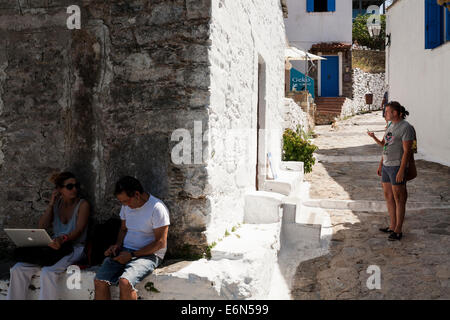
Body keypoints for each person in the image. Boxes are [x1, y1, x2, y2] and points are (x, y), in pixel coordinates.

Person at [7, 172, 90, 300]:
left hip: (74, 248)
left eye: (76, 185)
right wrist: (51, 204)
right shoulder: (57, 204)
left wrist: (63, 239)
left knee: (48, 272)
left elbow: (79, 230)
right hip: (55, 247)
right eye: (69, 186)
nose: (75, 189)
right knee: (18, 269)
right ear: (59, 189)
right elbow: (42, 226)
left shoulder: (83, 204)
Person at [94, 176, 170, 300]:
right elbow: (123, 229)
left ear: (137, 194)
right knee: (100, 281)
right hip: (126, 250)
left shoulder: (157, 208)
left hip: (149, 255)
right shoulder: (126, 207)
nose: (125, 205)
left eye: (126, 201)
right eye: (122, 202)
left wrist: (132, 255)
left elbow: (160, 243)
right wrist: (117, 246)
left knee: (125, 282)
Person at [375, 102, 415, 241]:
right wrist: (381, 164)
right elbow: (385, 146)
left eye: (387, 111)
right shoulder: (390, 125)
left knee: (399, 198)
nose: (385, 114)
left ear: (396, 113)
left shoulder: (406, 128)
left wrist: (401, 170)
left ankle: (398, 230)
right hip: (386, 166)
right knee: (388, 196)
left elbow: (407, 152)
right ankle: (392, 226)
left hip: (397, 166)